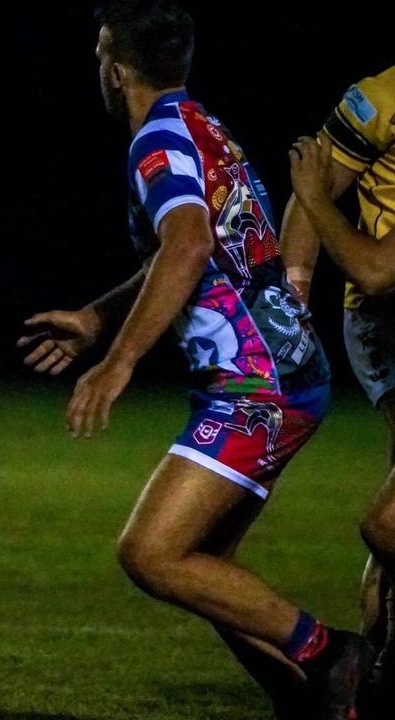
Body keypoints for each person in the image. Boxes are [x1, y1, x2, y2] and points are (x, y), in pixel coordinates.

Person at [20, 3, 368, 717]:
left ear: (117, 71)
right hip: (286, 370)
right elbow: (184, 251)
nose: (97, 69)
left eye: (98, 56)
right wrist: (97, 317)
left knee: (151, 554)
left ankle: (333, 656)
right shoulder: (203, 127)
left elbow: (187, 246)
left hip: (256, 386)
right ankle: (308, 698)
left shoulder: (157, 145)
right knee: (203, 563)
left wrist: (118, 363)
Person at [283, 64, 395, 715]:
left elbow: (376, 268)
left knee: (386, 525)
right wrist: (292, 298)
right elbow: (312, 183)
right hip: (385, 327)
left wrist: (318, 198)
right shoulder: (379, 97)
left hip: (382, 289)